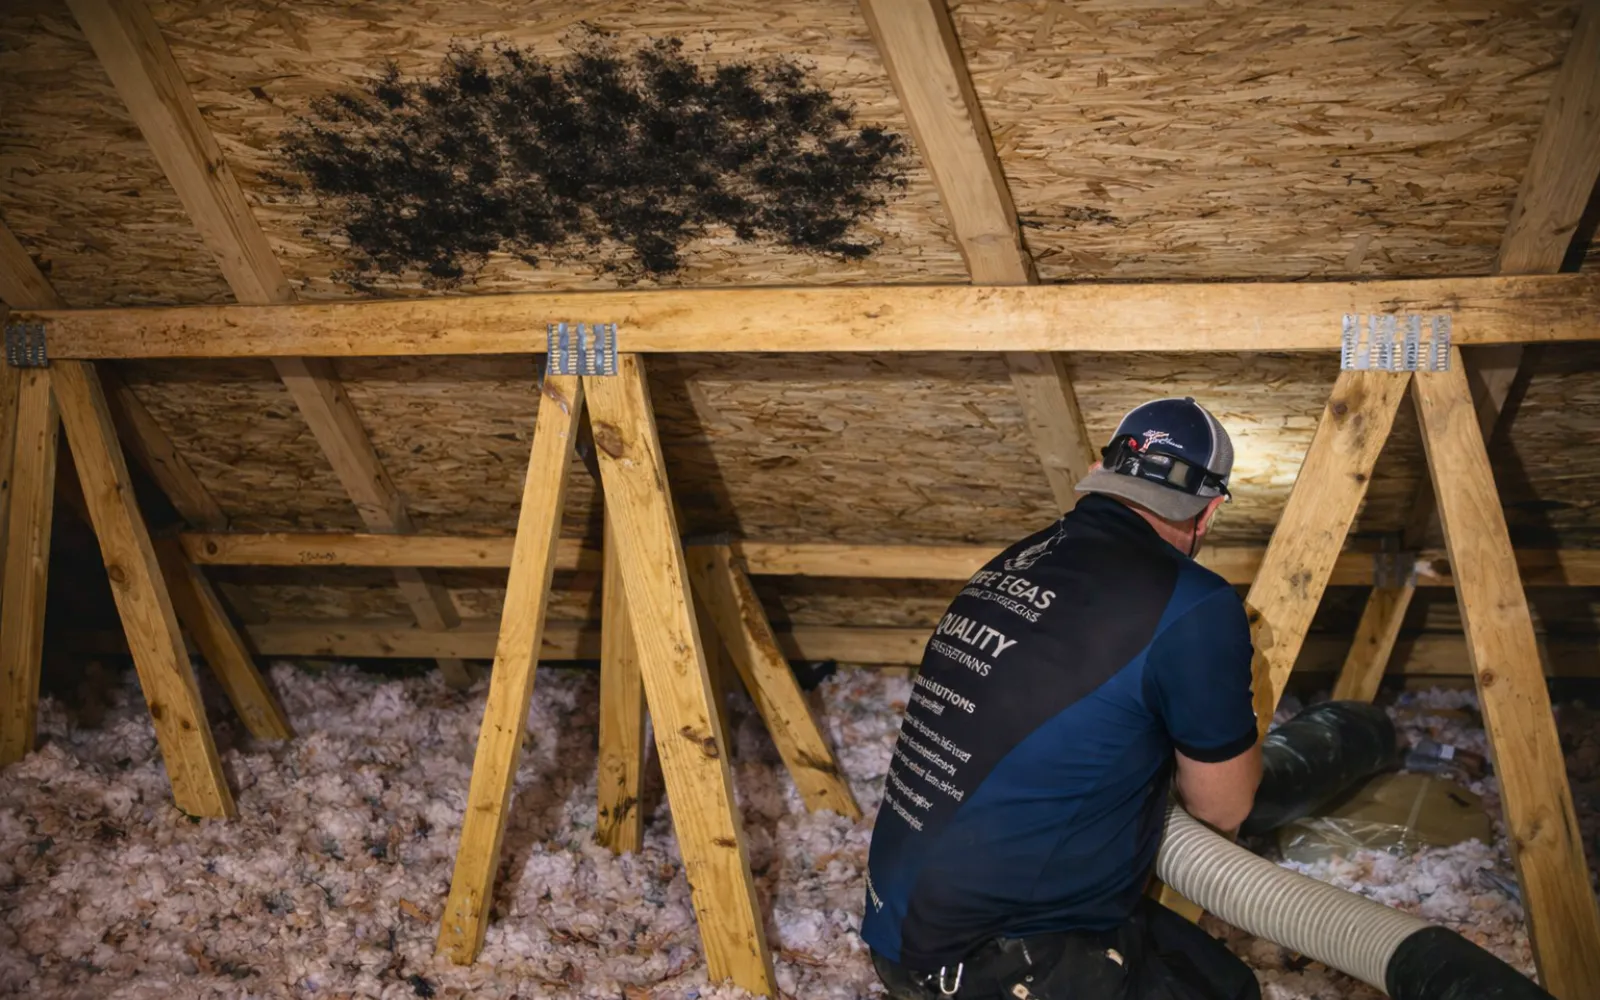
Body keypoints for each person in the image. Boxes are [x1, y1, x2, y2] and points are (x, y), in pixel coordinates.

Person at [860, 397, 1263, 1000]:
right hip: (992, 963)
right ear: (1208, 513)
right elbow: (1223, 807)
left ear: (1105, 472)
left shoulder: (1010, 563)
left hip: (898, 932)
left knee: (1219, 975)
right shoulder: (1195, 603)